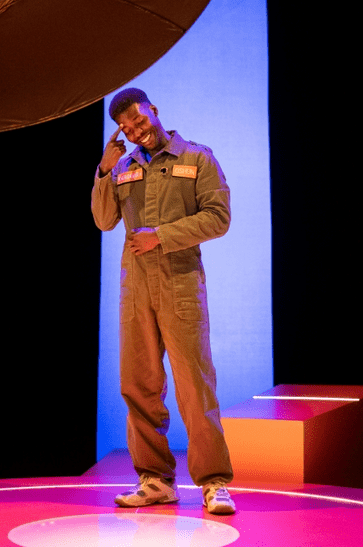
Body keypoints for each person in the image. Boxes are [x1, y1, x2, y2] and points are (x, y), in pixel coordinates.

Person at [91, 88, 236, 515]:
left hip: (181, 283)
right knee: (139, 385)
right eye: (126, 127)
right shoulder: (122, 167)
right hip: (135, 288)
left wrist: (163, 238)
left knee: (195, 384)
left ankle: (213, 482)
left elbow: (219, 217)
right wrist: (103, 170)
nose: (136, 131)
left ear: (153, 110)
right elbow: (103, 221)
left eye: (139, 120)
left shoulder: (196, 158)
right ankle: (154, 481)